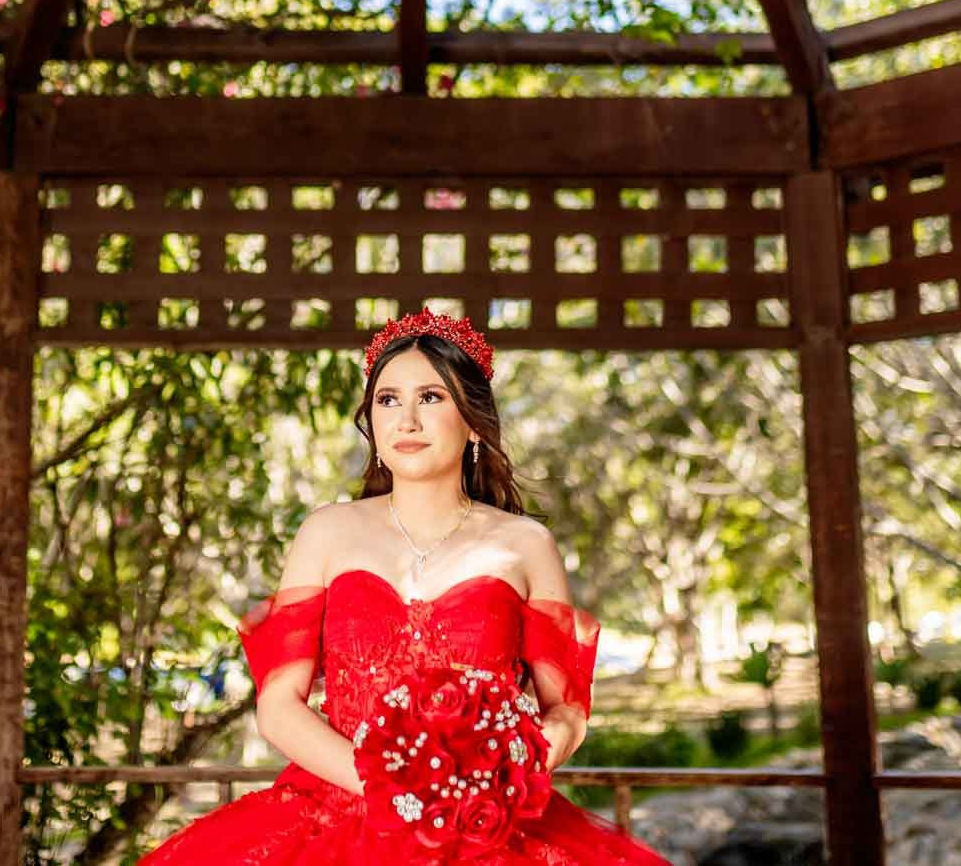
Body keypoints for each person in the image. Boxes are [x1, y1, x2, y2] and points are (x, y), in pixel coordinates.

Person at [137, 309, 671, 863]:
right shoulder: (327, 530)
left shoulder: (526, 544)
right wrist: (397, 794)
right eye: (388, 400)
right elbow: (278, 708)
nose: (406, 420)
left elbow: (566, 712)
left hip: (482, 828)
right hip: (338, 814)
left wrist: (508, 765)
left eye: (431, 398)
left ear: (472, 421)